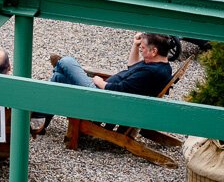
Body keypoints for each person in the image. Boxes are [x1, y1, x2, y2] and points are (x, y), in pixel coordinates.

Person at [35, 33, 175, 132]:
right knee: (59, 77)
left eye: (142, 48)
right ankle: (39, 121)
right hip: (105, 97)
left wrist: (100, 81)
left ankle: (38, 118)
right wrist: (135, 44)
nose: (140, 50)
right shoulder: (158, 65)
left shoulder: (150, 72)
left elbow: (119, 90)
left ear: (154, 51)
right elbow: (132, 65)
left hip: (102, 100)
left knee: (66, 62)